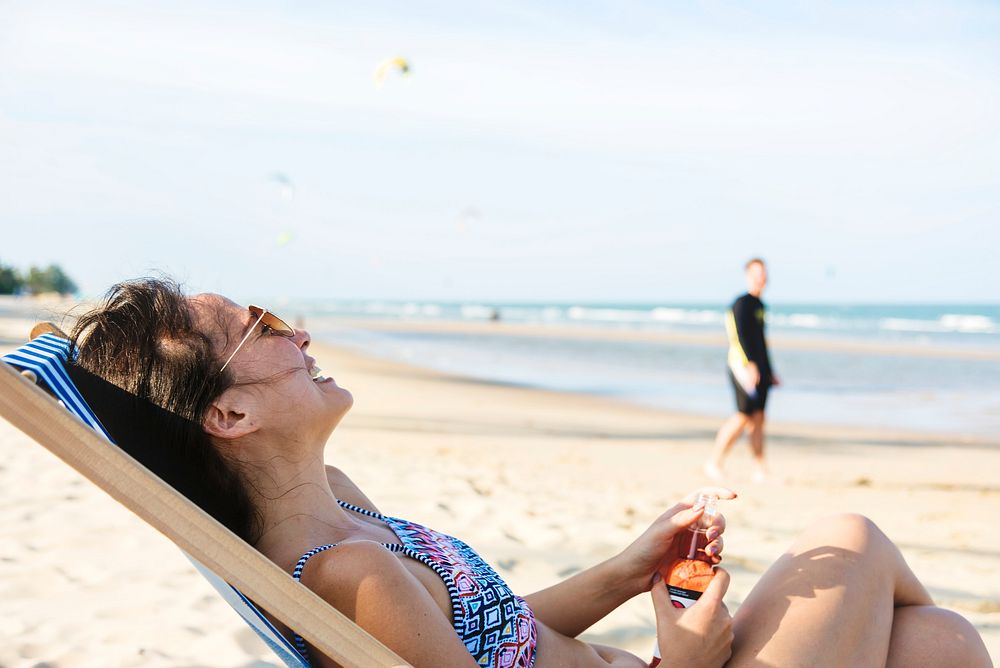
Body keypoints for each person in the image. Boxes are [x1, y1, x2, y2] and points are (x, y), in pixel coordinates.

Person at [68, 278, 990, 667]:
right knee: (853, 539)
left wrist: (631, 569)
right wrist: (688, 659)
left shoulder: (341, 504)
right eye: (263, 325)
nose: (299, 332)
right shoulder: (353, 576)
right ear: (228, 415)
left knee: (940, 642)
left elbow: (498, 636)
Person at [706, 258, 779, 483]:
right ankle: (714, 462)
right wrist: (750, 365)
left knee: (759, 418)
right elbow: (740, 337)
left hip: (760, 369)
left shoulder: (760, 305)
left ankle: (760, 469)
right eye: (756, 273)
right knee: (743, 415)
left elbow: (760, 341)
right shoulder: (741, 303)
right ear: (748, 275)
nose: (761, 277)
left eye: (764, 272)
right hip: (742, 366)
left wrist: (770, 370)